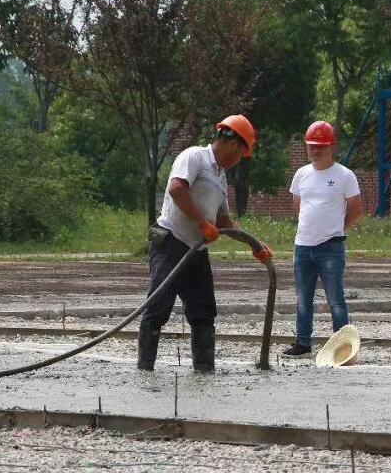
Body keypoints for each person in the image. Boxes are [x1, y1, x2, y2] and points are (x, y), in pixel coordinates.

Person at [137, 114, 271, 372]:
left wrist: (255, 245)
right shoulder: (194, 157)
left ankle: (204, 370)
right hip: (171, 242)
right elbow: (177, 189)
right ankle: (145, 370)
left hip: (196, 251)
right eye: (240, 154)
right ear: (233, 144)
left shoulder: (220, 177)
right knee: (157, 307)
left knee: (204, 312)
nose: (237, 162)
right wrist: (201, 222)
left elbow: (223, 219)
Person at [282, 120, 363, 357]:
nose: (315, 151)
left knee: (336, 299)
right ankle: (303, 343)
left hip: (331, 247)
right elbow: (298, 206)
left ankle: (342, 347)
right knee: (302, 299)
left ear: (331, 147)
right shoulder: (301, 175)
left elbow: (356, 208)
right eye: (312, 146)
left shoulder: (345, 175)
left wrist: (338, 228)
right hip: (303, 246)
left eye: (321, 146)